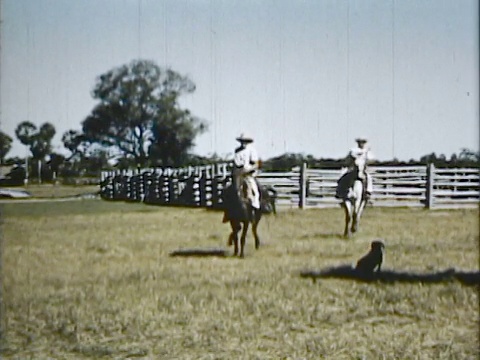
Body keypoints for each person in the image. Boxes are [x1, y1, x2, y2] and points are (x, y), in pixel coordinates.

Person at [232, 133, 261, 210]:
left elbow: (256, 164)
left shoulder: (252, 150)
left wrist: (249, 170)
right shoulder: (237, 150)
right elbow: (235, 163)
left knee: (254, 190)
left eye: (245, 141)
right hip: (238, 173)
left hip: (248, 173)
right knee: (232, 190)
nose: (243, 143)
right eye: (242, 141)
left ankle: (255, 206)